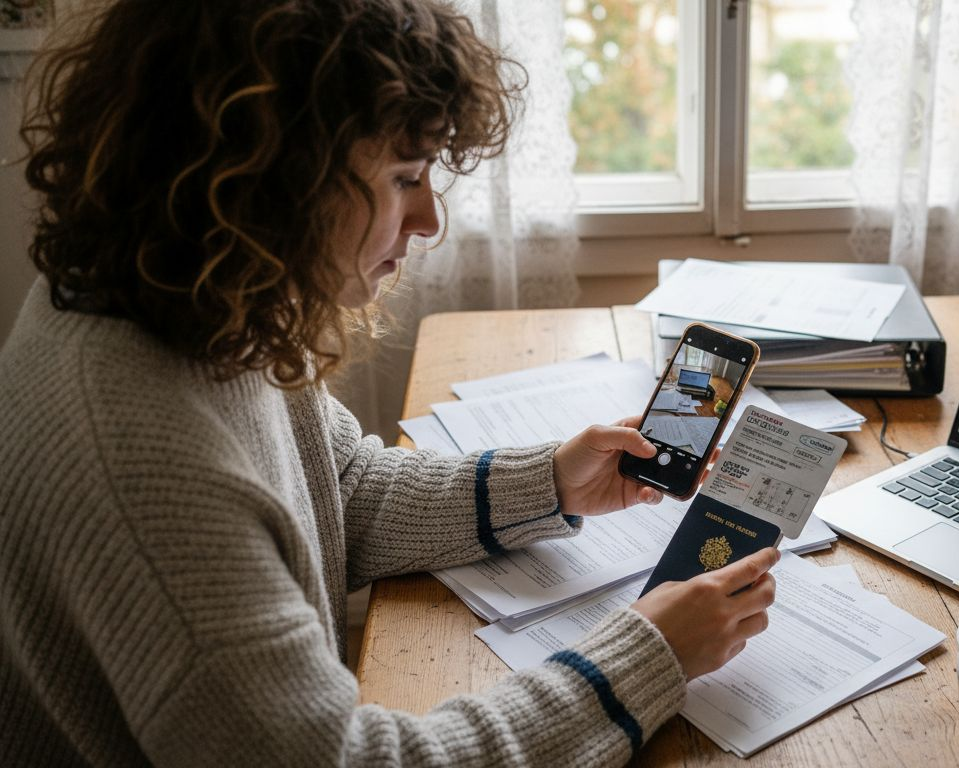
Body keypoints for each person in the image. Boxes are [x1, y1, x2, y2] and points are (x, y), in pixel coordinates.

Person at [0, 1, 778, 765]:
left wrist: (548, 483)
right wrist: (649, 654)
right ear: (271, 175)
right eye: (405, 176)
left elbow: (338, 488)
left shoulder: (212, 304)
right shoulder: (145, 448)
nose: (429, 218)